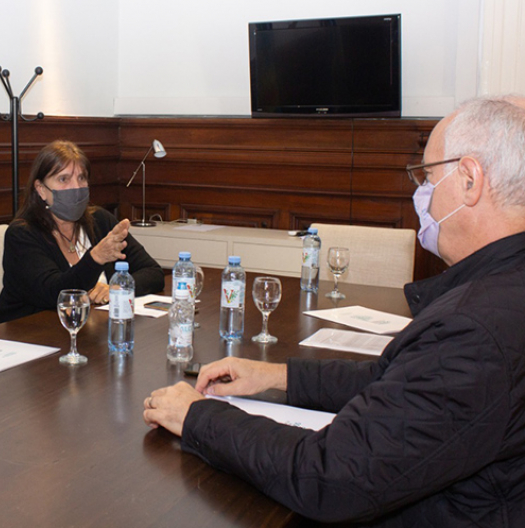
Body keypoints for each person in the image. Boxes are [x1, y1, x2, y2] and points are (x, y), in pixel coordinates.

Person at [143, 95, 525, 527]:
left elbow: (331, 475)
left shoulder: (473, 330)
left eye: (428, 176)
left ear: (470, 180)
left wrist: (197, 417)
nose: (421, 193)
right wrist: (277, 376)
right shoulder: (502, 291)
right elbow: (397, 380)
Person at [0, 140, 164, 324]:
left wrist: (117, 288)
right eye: (63, 179)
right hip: (28, 335)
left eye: (81, 178)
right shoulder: (22, 235)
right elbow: (53, 294)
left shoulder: (100, 220)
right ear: (41, 189)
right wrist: (96, 258)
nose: (76, 187)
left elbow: (153, 272)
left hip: (89, 333)